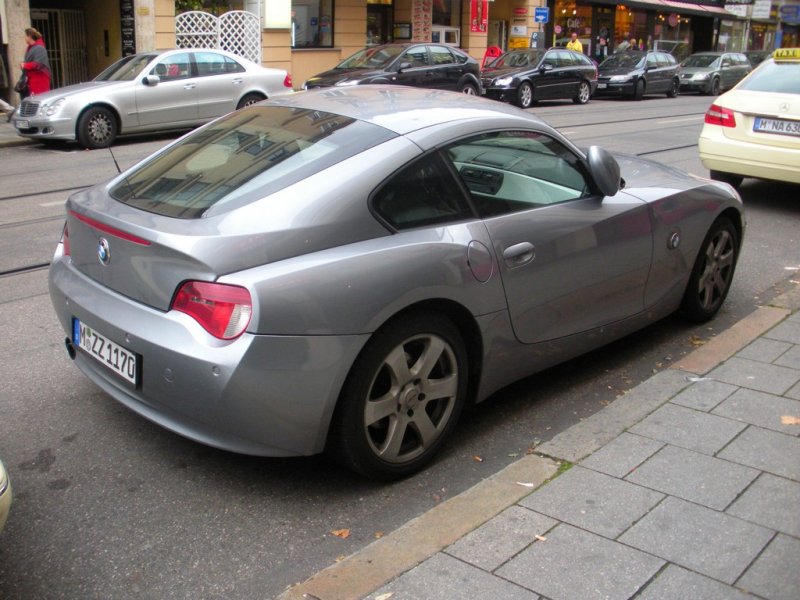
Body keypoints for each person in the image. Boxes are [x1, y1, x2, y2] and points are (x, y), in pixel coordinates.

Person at [19, 27, 51, 99]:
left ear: (29, 36)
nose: (24, 38)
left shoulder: (39, 48)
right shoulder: (30, 48)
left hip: (39, 80)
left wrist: (25, 65)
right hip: (31, 80)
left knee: (39, 99)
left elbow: (38, 64)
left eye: (25, 36)